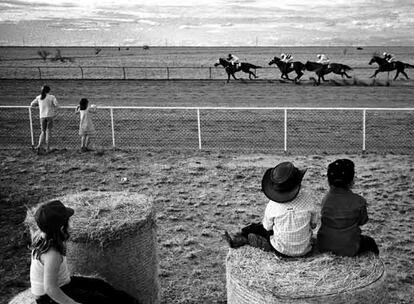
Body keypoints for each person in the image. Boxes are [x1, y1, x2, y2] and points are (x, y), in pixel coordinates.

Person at [28, 200, 139, 304]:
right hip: (49, 299)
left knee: (100, 286)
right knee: (100, 300)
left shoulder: (43, 237)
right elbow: (50, 289)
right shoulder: (52, 255)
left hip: (64, 284)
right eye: (68, 221)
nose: (70, 224)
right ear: (62, 228)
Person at [224, 162, 320, 257]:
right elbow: (314, 225)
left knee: (257, 228)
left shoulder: (272, 205)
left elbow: (267, 227)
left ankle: (243, 237)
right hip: (305, 250)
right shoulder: (308, 199)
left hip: (281, 250)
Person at [317, 159, 379, 257]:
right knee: (370, 242)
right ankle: (377, 266)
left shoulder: (325, 200)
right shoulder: (359, 201)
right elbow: (363, 221)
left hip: (324, 245)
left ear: (329, 181)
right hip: (349, 247)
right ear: (351, 181)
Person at [30, 85, 58, 154]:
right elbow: (56, 104)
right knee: (48, 132)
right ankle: (47, 148)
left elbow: (32, 104)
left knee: (43, 132)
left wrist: (39, 105)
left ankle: (39, 146)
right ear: (49, 90)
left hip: (42, 116)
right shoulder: (52, 97)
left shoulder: (39, 97)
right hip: (50, 116)